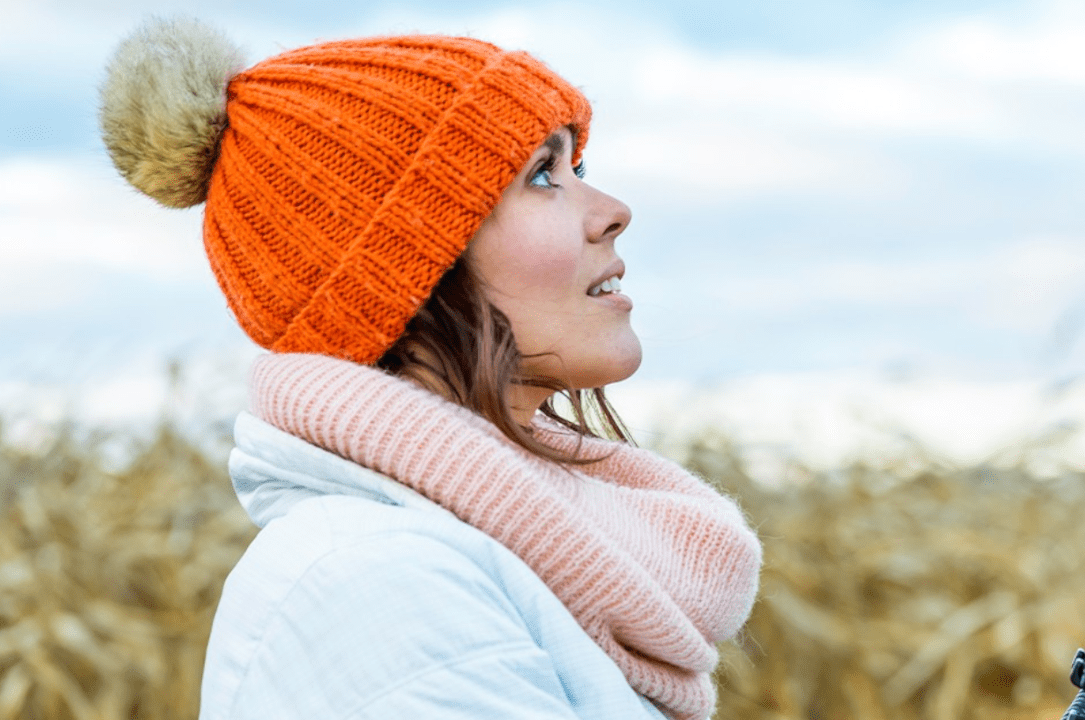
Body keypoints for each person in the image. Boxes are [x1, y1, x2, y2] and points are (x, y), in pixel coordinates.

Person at [99, 16, 762, 720]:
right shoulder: (376, 585)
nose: (613, 212)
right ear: (404, 271)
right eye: (542, 174)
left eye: (579, 167)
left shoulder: (484, 555)